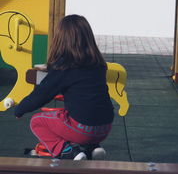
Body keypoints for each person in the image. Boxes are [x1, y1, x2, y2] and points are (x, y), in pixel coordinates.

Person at [14, 14, 114, 160]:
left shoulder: (65, 66)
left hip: (82, 129)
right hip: (105, 127)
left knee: (37, 121)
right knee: (74, 113)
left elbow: (42, 94)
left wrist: (20, 109)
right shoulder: (98, 64)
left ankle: (67, 150)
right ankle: (93, 147)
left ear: (61, 39)